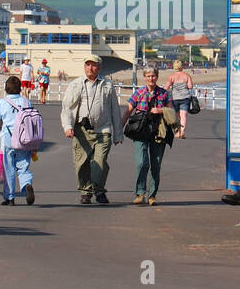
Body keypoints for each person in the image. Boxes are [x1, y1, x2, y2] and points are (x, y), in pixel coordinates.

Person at [60, 56, 123, 204]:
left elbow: (115, 110)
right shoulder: (76, 84)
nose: (90, 68)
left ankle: (99, 191)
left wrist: (118, 134)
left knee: (99, 162)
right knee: (81, 163)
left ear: (99, 68)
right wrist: (68, 126)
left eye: (93, 65)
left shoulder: (107, 85)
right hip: (81, 131)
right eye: (87, 65)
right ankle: (86, 191)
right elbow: (67, 108)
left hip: (103, 130)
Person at [122, 66, 172, 205]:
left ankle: (152, 195)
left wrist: (160, 110)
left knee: (156, 165)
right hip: (140, 132)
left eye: (153, 76)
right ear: (144, 77)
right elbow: (127, 112)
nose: (151, 78)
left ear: (157, 76)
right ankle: (140, 193)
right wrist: (120, 128)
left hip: (158, 132)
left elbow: (171, 111)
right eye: (148, 76)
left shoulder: (164, 94)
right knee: (141, 163)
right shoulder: (138, 93)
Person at [0, 76, 36, 206]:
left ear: (6, 88)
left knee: (8, 169)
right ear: (20, 88)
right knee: (23, 167)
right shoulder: (26, 102)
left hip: (8, 140)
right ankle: (27, 184)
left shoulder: (2, 103)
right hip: (24, 140)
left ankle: (9, 198)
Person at [163, 59, 195, 139]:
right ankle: (182, 131)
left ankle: (177, 132)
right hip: (185, 97)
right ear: (182, 66)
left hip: (175, 98)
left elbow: (166, 87)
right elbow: (190, 86)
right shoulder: (187, 75)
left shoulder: (172, 76)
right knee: (183, 115)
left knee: (177, 116)